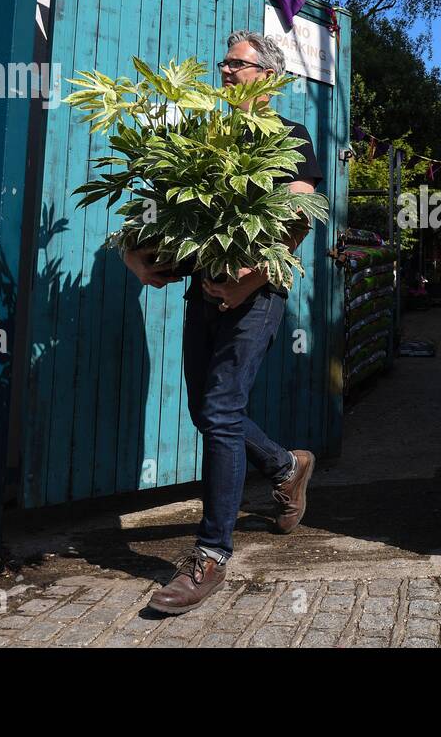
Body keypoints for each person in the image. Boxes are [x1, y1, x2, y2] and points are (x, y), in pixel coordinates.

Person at [120, 31, 324, 615]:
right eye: (225, 63)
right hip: (202, 292)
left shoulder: (290, 137)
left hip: (256, 295)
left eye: (237, 64)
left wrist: (249, 279)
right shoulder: (202, 137)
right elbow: (153, 208)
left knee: (221, 409)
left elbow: (297, 215)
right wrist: (135, 255)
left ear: (268, 75)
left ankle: (210, 552)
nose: (226, 71)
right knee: (204, 411)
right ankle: (287, 465)